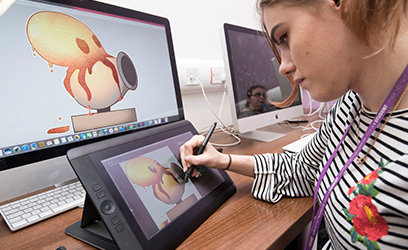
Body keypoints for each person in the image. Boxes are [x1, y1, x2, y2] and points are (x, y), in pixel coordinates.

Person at [180, 0, 408, 249]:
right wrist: (224, 161)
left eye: (284, 37)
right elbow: (304, 169)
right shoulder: (349, 106)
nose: (283, 67)